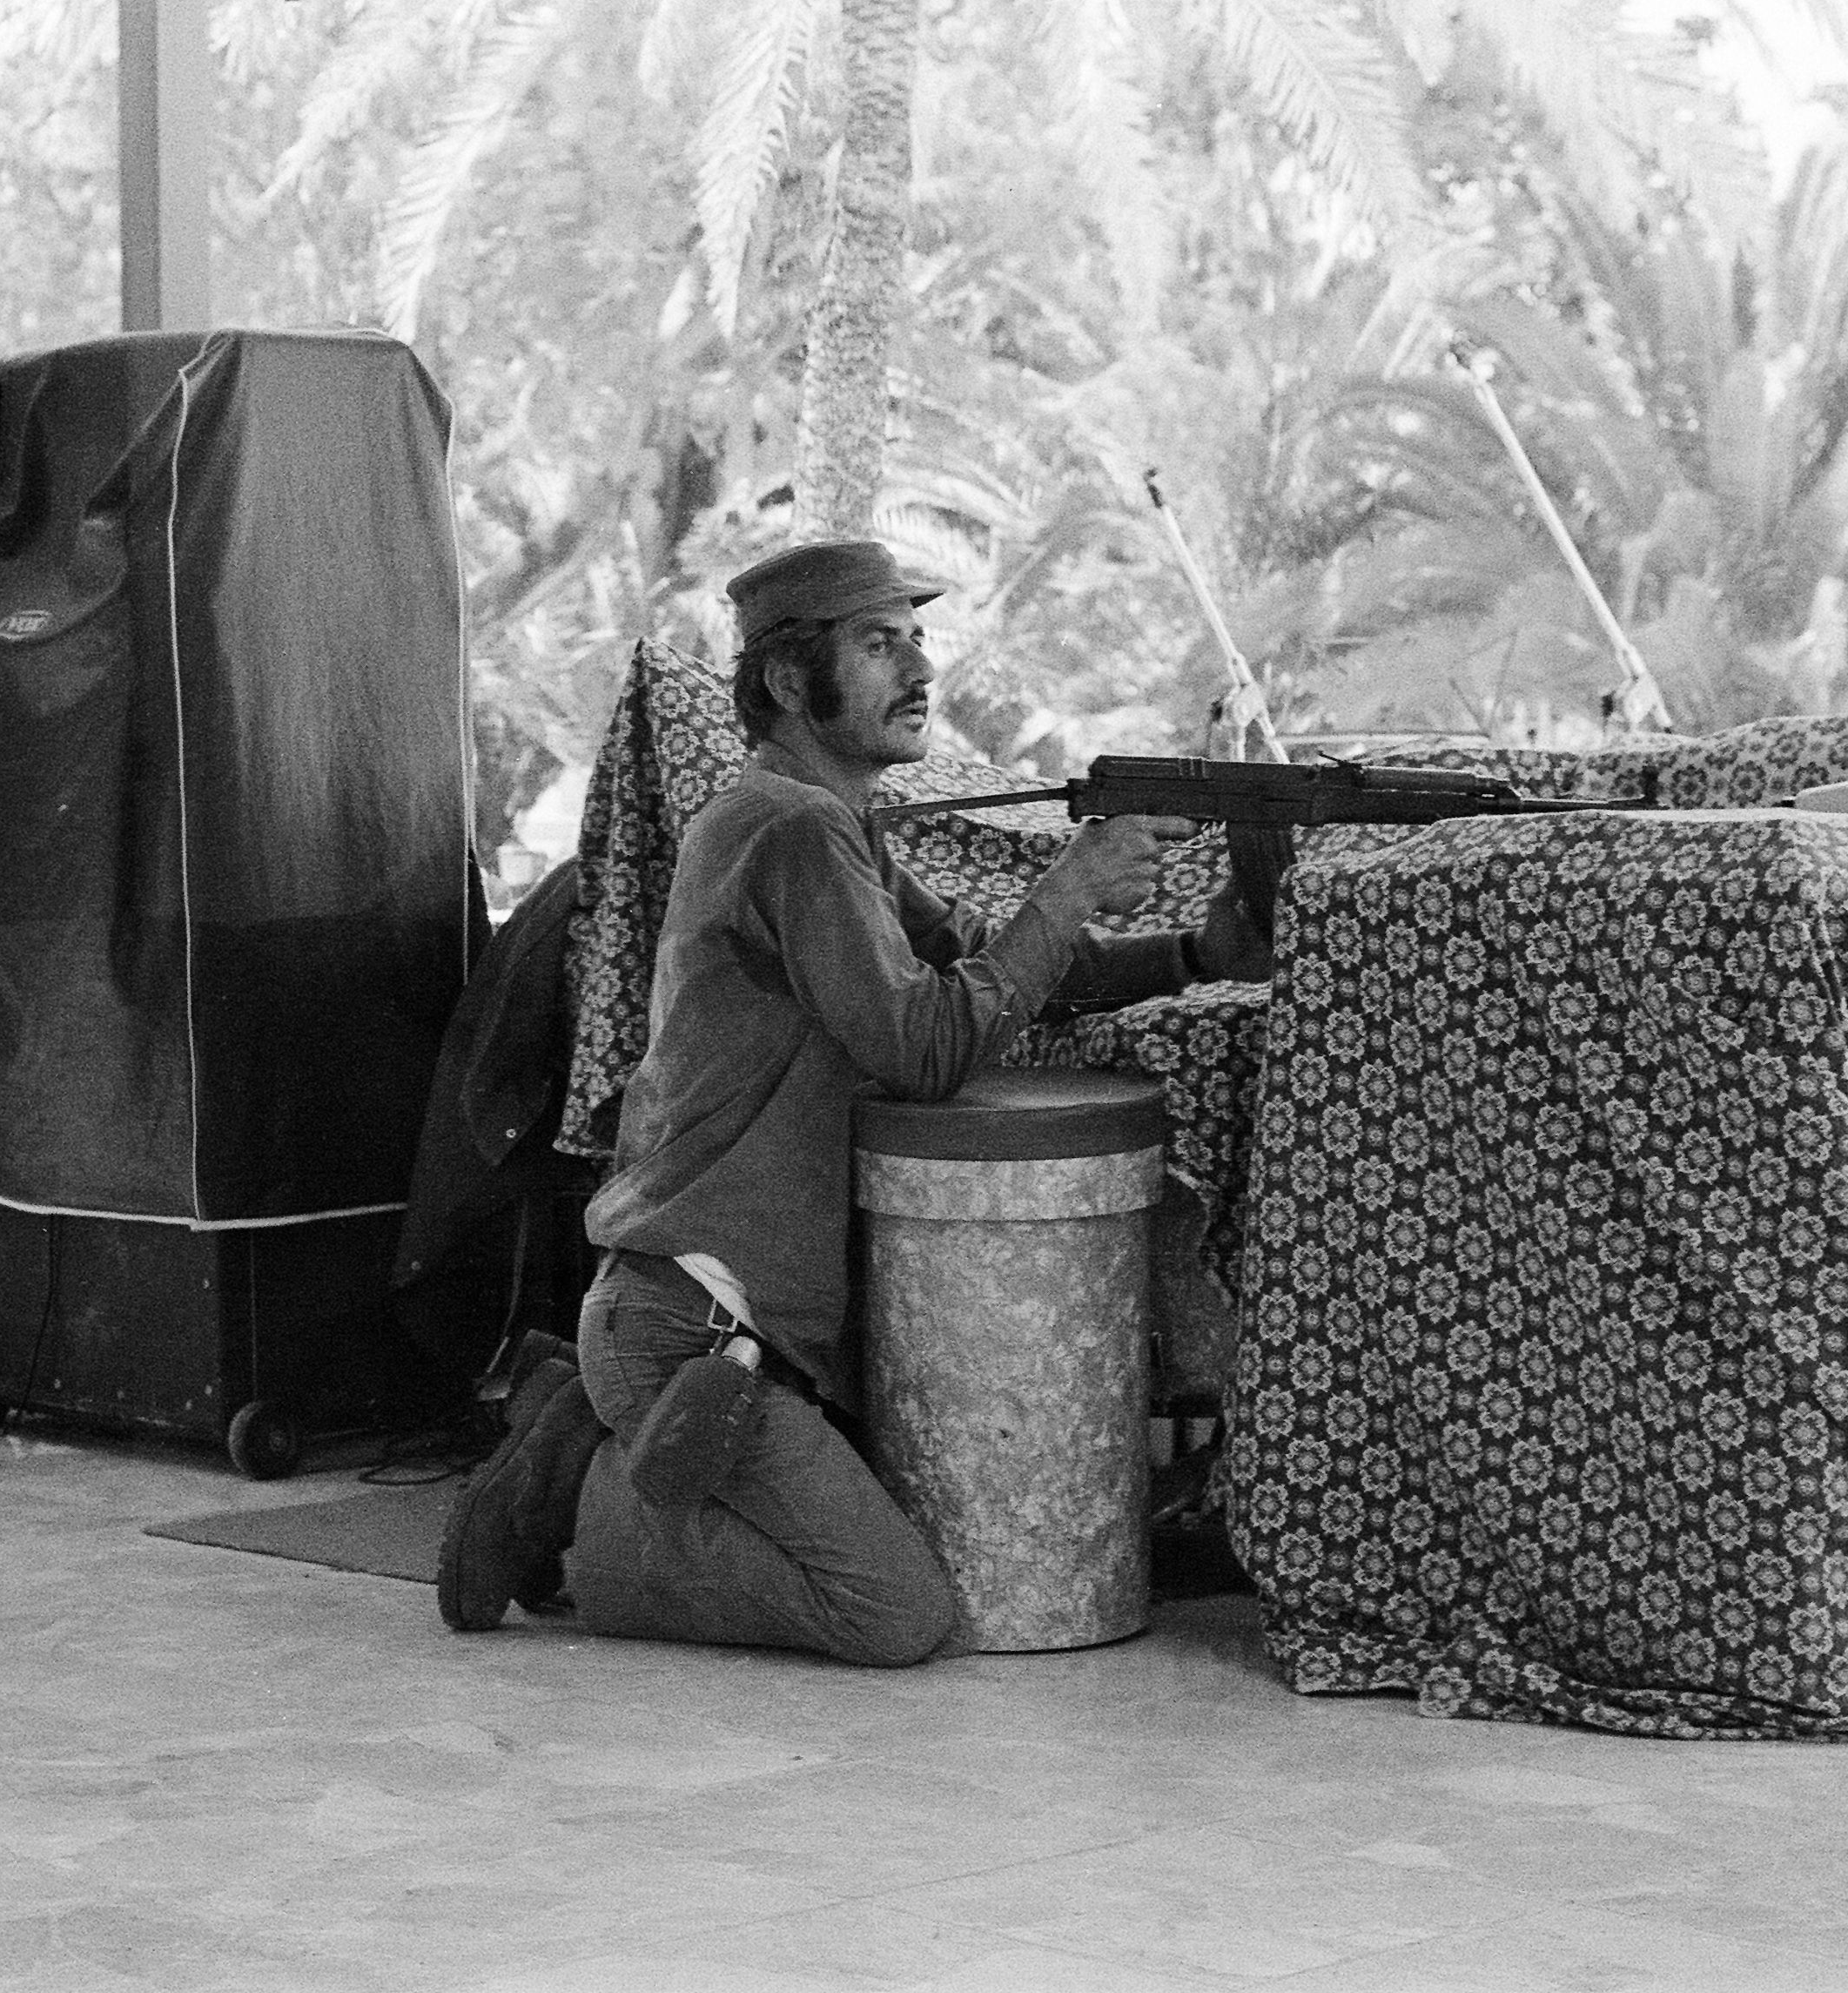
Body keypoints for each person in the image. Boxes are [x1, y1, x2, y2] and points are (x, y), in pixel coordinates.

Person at [437, 538, 1269, 1664]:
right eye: (879, 644)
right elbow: (923, 1043)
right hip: (698, 1327)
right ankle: (578, 1500)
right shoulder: (791, 830)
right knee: (895, 1613)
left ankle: (583, 1420)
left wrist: (1190, 949)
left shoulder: (826, 824)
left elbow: (982, 961)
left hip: (709, 1321)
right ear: (788, 680)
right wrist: (1066, 890)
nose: (917, 668)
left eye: (917, 638)